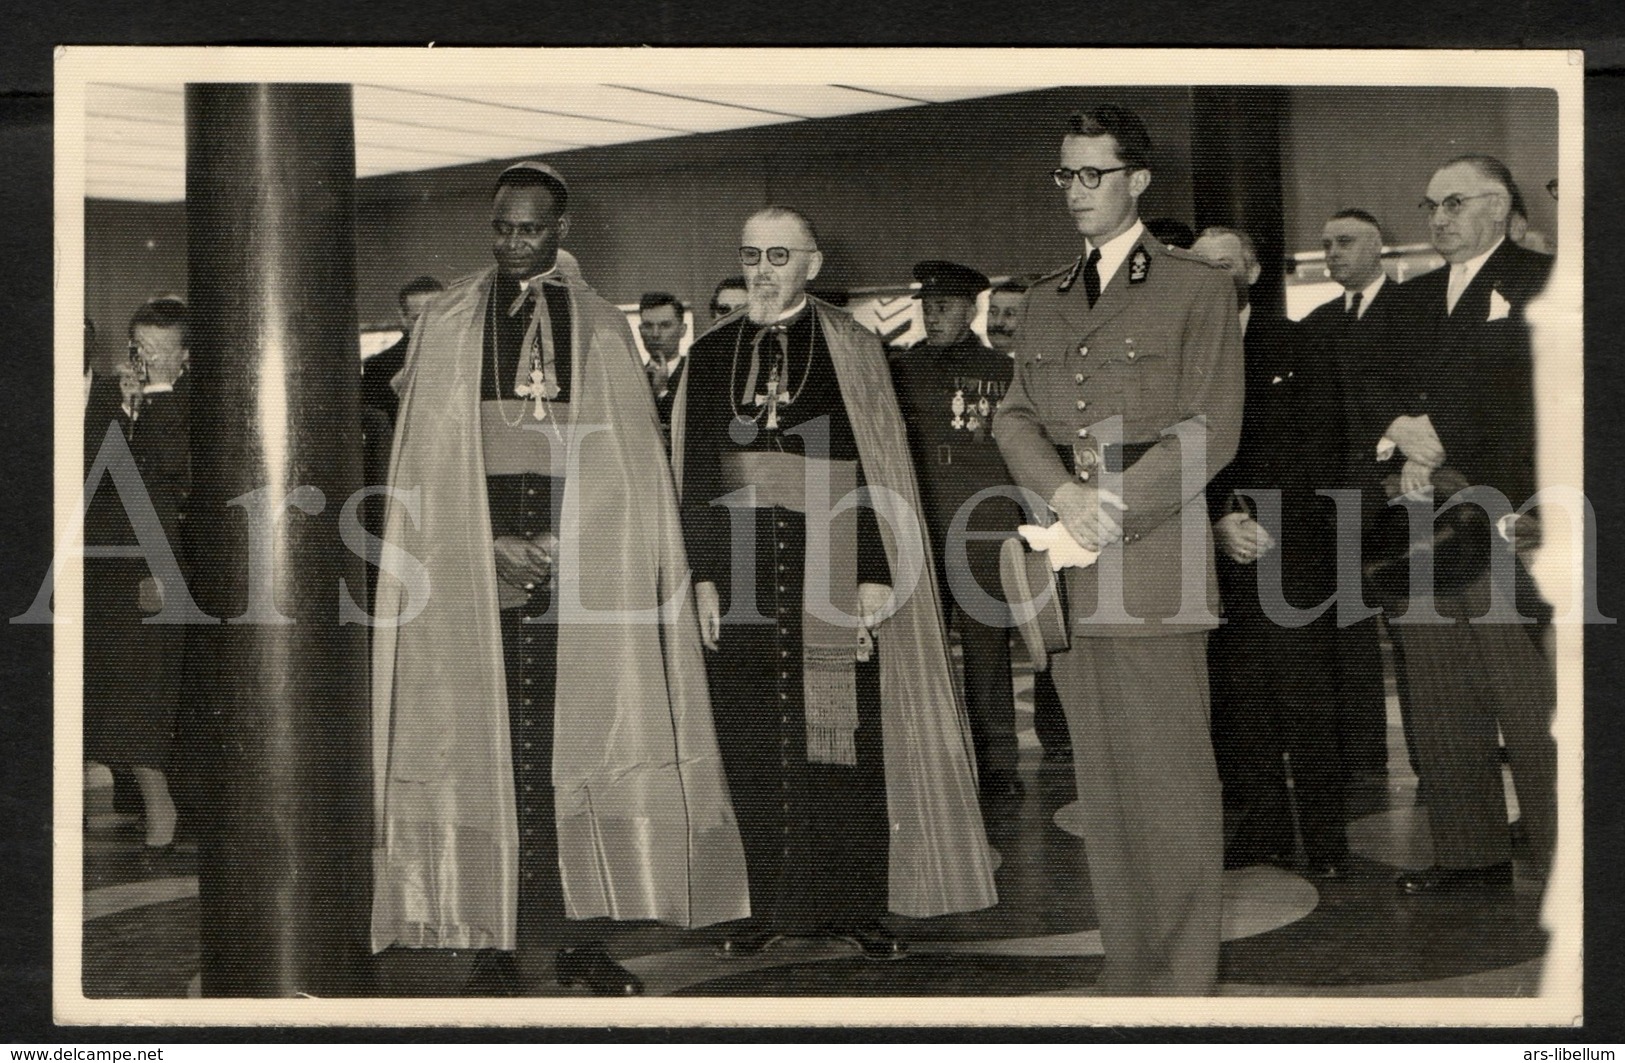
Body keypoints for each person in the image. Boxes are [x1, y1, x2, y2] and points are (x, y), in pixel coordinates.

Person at [370, 161, 747, 996]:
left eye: (530, 229)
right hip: (472, 574)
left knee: (573, 754)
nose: (512, 243)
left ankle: (580, 939)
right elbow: (424, 469)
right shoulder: (451, 323)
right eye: (501, 226)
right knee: (491, 753)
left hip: (581, 579)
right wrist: (487, 539)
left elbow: (629, 472)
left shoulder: (602, 329)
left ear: (560, 230)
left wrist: (568, 542)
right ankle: (495, 944)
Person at [673, 206, 997, 960]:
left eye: (778, 256)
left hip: (833, 554)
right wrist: (702, 578)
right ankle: (759, 905)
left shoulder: (852, 346)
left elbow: (883, 465)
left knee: (841, 742)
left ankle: (852, 905)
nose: (761, 270)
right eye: (750, 254)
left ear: (811, 263)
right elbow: (691, 474)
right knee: (750, 736)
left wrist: (876, 574)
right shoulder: (712, 352)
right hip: (741, 559)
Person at [993, 105, 1242, 995]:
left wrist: (1109, 509)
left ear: (1137, 179)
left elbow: (1210, 428)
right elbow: (1014, 414)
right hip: (1065, 569)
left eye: (1091, 174)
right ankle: (1129, 971)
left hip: (1153, 571)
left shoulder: (1196, 288)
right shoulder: (1050, 296)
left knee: (1171, 794)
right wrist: (1059, 496)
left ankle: (1181, 988)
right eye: (1064, 175)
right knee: (1103, 792)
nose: (1074, 192)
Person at [1379, 155, 1556, 894]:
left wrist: (1438, 437)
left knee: (1526, 696)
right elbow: (1362, 377)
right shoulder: (1407, 297)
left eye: (1452, 202)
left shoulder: (1547, 282)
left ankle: (1568, 858)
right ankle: (1468, 853)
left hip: (1506, 510)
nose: (1436, 217)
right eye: (1428, 204)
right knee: (1439, 689)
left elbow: (1550, 394)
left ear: (1496, 206)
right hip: (1416, 517)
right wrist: (1396, 432)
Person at [1193, 225, 1350, 878]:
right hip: (1219, 555)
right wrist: (1216, 522)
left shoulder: (1296, 342)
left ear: (1251, 272)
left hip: (1294, 549)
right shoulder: (1184, 353)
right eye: (1200, 266)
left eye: (1225, 263)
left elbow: (1321, 445)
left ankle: (1324, 839)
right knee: (1241, 699)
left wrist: (1265, 521)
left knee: (1305, 698)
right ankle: (1262, 827)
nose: (1213, 275)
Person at [890, 260, 1024, 801]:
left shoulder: (1004, 372)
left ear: (973, 309)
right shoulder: (898, 370)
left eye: (944, 305)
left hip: (984, 530)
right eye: (927, 305)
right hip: (919, 527)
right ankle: (930, 762)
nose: (933, 313)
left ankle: (997, 763)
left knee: (988, 655)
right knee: (920, 652)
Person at [1300, 208, 1414, 780]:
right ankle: (1362, 756)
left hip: (1399, 495)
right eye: (1326, 244)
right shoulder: (1316, 322)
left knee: (1414, 634)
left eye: (1344, 242)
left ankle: (1433, 763)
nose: (1332, 253)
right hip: (1336, 496)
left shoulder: (1414, 311)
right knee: (1346, 630)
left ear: (1379, 248)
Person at [83, 297, 192, 852]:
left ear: (183, 356)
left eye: (155, 351)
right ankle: (141, 797)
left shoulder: (188, 400)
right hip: (106, 556)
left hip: (160, 554)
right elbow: (88, 471)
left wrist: (159, 396)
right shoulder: (106, 394)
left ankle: (160, 805)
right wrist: (122, 410)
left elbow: (175, 470)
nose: (141, 360)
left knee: (148, 683)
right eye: (136, 348)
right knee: (111, 680)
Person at [984, 279, 1070, 765]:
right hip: (993, 521)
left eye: (1011, 314)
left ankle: (1061, 735)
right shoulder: (979, 372)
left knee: (1056, 629)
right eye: (994, 312)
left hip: (1048, 516)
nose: (999, 323)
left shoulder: (1052, 376)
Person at [361, 275, 444, 426]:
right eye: (419, 318)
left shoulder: (469, 357)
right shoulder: (376, 368)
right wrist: (396, 391)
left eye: (437, 316)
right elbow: (379, 430)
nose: (430, 324)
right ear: (403, 317)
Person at [637, 290, 688, 432]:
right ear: (640, 330)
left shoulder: (699, 373)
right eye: (648, 326)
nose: (655, 334)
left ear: (682, 330)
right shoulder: (631, 377)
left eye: (665, 325)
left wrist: (661, 392)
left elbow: (698, 426)